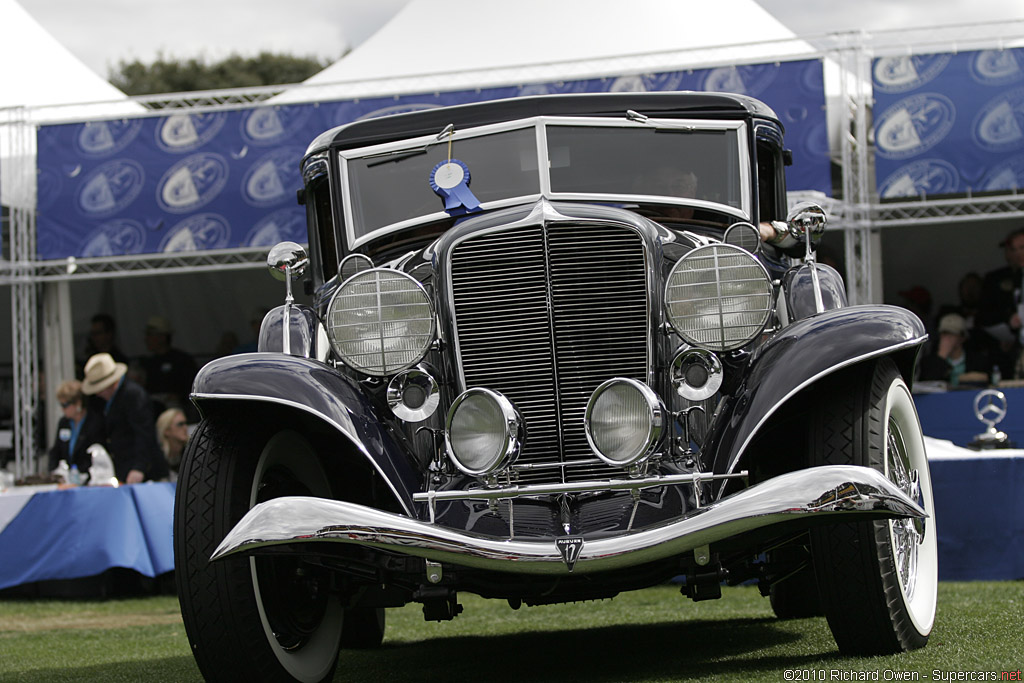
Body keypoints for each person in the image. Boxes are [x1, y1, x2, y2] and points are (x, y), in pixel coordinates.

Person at [81, 352, 169, 484]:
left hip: (144, 471)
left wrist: (139, 467)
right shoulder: (108, 400)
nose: (97, 393)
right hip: (124, 468)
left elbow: (144, 433)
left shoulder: (133, 395)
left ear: (111, 382)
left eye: (100, 388)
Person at [977, 227, 1024, 377]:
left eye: (1022, 248)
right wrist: (1008, 321)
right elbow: (983, 316)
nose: (1017, 254)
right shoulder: (995, 279)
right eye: (1012, 249)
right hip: (1006, 351)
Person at [139, 315, 198, 416]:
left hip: (176, 408)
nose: (146, 339)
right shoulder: (147, 363)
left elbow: (193, 385)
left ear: (162, 337)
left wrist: (179, 397)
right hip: (152, 406)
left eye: (150, 335)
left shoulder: (182, 360)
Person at [47, 379, 105, 482]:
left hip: (89, 478)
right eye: (61, 405)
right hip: (67, 478)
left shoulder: (94, 422)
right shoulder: (64, 423)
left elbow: (95, 452)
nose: (63, 409)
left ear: (78, 403)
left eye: (65, 405)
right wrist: (55, 472)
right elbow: (56, 450)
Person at [918, 313, 991, 388]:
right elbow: (926, 385)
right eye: (944, 334)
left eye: (951, 334)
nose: (946, 338)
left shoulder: (978, 360)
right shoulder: (927, 361)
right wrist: (941, 356)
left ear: (962, 338)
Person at [156, 408, 189, 481]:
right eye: (180, 424)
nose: (185, 428)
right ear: (167, 431)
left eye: (186, 423)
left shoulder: (191, 456)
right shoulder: (156, 460)